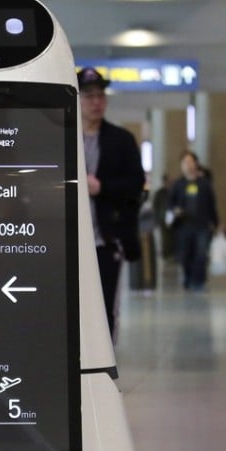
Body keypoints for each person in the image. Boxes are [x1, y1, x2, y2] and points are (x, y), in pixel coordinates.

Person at [78, 66, 145, 338]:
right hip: (69, 241)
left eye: (101, 96)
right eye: (89, 96)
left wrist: (101, 187)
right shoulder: (63, 138)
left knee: (105, 306)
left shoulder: (121, 140)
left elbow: (135, 185)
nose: (96, 102)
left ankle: (104, 368)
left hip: (107, 239)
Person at [169, 150, 220, 291]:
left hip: (201, 225)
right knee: (185, 254)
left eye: (191, 162)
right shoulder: (178, 185)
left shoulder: (204, 184)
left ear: (196, 164)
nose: (188, 165)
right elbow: (170, 204)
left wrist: (216, 223)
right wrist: (174, 212)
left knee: (200, 253)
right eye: (185, 162)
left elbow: (211, 205)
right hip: (184, 226)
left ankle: (199, 281)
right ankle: (188, 277)